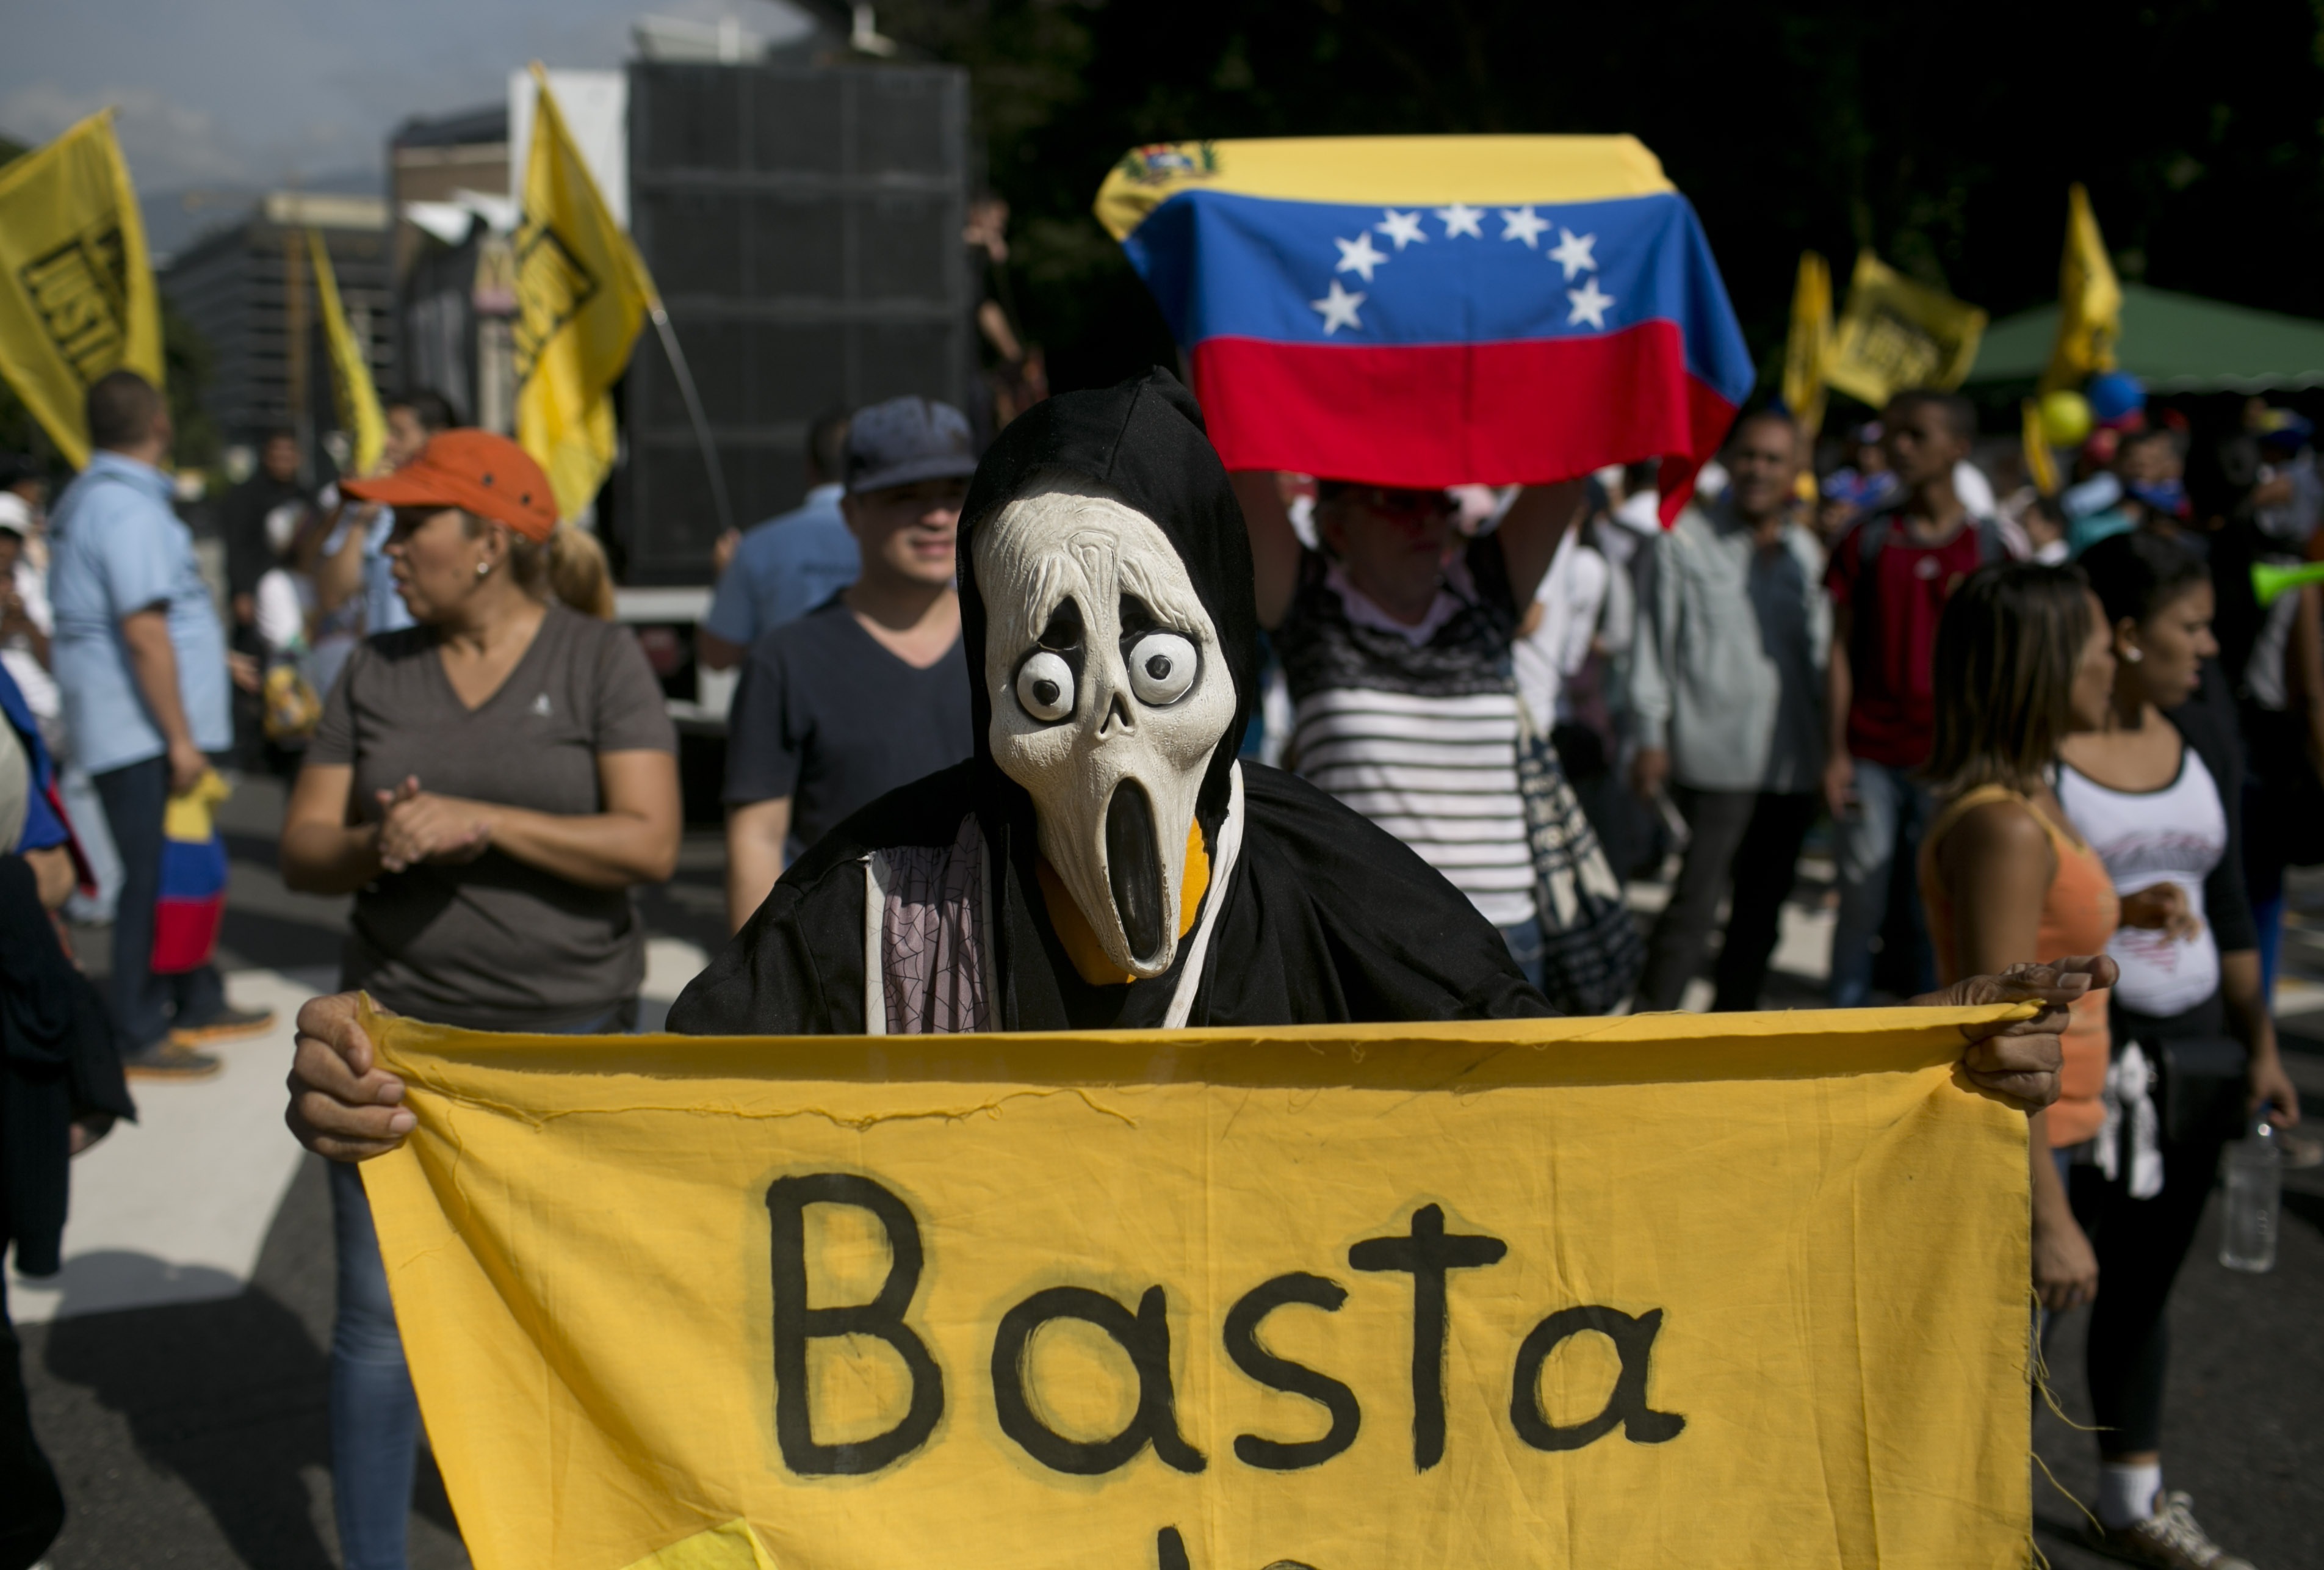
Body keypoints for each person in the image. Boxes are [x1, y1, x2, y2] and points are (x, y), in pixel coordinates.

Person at [284, 369, 2098, 1075]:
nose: (1102, 737)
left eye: (1153, 666)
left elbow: (1582, 1131)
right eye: (1045, 679)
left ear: (1229, 647)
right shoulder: (874, 903)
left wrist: (1917, 1089)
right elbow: (666, 1130)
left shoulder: (1346, 899)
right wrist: (424, 1096)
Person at [277, 428, 679, 1570]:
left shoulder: (598, 659)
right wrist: (384, 839)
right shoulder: (374, 667)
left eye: (415, 524)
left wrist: (484, 820)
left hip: (571, 1048)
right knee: (376, 1326)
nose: (391, 548)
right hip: (400, 1044)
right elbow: (303, 850)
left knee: (560, 1316)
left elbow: (650, 842)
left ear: (492, 541)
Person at [2052, 530, 2297, 1568]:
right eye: (2188, 626)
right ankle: (1963, 1502)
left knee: (2144, 1281)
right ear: (2121, 633)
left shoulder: (2200, 731)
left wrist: (2260, 1045)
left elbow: (2227, 904)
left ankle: (2131, 1501)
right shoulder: (2039, 757)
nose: (2207, 646)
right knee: (2039, 1285)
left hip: (2193, 1051)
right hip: (2079, 1061)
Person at [1228, 456, 1595, 992]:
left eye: (1440, 503)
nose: (1427, 520)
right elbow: (1242, 464)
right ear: (1337, 524)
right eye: (1399, 502)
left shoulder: (1485, 594)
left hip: (1503, 939)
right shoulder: (1310, 608)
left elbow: (1570, 461)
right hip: (1362, 941)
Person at [1916, 563, 2121, 1348]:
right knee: (2013, 1397)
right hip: (2026, 1149)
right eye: (2102, 646)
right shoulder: (2004, 826)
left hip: (2063, 1131)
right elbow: (2005, 1033)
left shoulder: (2033, 799)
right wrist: (2049, 1219)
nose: (2117, 661)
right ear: (2048, 665)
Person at [48, 370, 268, 1076]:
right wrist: (179, 737)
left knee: (183, 871)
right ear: (160, 424)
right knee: (148, 880)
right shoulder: (127, 507)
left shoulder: (101, 499)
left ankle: (194, 995)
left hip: (139, 724)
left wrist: (210, 661)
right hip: (142, 730)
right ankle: (138, 1027)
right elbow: (144, 630)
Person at [721, 398, 976, 932]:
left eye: (953, 494)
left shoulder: (1011, 647)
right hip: (841, 967)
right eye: (905, 496)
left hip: (996, 963)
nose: (935, 517)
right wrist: (756, 973)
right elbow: (757, 839)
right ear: (851, 512)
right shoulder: (785, 660)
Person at [1629, 408, 1828, 1011]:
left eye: (1774, 459)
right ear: (1728, 461)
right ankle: (1648, 1032)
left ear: (1796, 471)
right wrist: (1649, 736)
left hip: (1790, 764)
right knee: (1692, 907)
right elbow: (1653, 647)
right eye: (1748, 456)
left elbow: (1822, 660)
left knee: (1761, 914)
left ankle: (1735, 1032)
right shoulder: (1684, 540)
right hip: (1712, 760)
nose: (1758, 470)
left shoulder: (1805, 553)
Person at [1824, 389, 2013, 1007]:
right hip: (1872, 754)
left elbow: (2008, 661)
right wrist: (1836, 752)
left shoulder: (1990, 547)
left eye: (1916, 435)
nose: (1899, 447)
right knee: (1861, 898)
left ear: (1958, 448)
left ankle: (1932, 1029)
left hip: (1952, 761)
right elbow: (1839, 648)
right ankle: (1842, 1025)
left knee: (1933, 902)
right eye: (1892, 435)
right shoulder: (1867, 539)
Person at [698, 410, 858, 671]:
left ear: (809, 467)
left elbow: (718, 656)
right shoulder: (895, 544)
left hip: (790, 692)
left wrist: (727, 579)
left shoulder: (756, 548)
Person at [317, 390, 458, 642]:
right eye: (387, 432)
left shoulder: (461, 508)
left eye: (399, 434)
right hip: (384, 656)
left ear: (437, 437)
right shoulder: (372, 504)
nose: (388, 443)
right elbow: (332, 597)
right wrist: (360, 521)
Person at [218, 429, 305, 632]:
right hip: (256, 589)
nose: (283, 460)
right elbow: (236, 546)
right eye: (277, 453)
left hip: (297, 592)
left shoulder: (306, 497)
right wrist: (241, 592)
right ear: (266, 456)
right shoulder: (243, 496)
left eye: (289, 453)